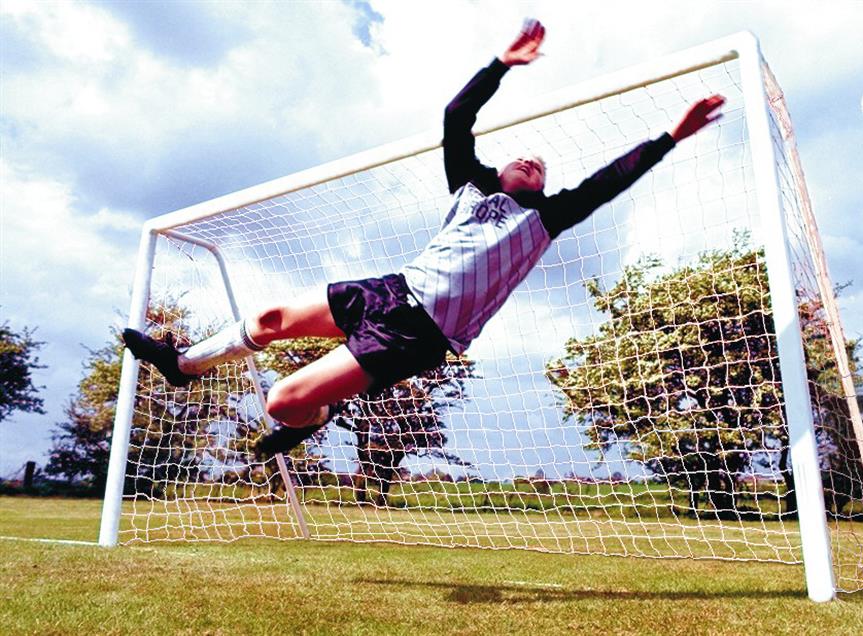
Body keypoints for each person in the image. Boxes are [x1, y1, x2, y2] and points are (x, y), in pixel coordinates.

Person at [123, 19, 725, 459]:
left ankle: (317, 415)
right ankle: (183, 364)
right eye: (523, 157)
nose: (531, 161)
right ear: (501, 169)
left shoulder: (543, 221)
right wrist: (501, 65)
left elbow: (606, 183)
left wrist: (670, 136)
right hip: (391, 289)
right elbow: (455, 120)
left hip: (417, 335)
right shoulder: (469, 188)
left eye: (540, 166)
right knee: (271, 317)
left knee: (282, 402)